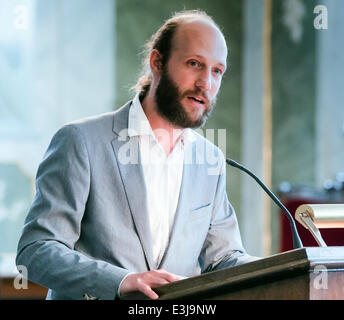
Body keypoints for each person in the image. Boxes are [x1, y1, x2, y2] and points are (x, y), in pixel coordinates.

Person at [16, 10, 257, 300]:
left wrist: (286, 270)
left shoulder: (211, 160)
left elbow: (224, 258)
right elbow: (36, 250)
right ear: (157, 62)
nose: (206, 83)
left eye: (217, 71)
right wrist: (121, 281)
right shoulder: (80, 141)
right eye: (194, 64)